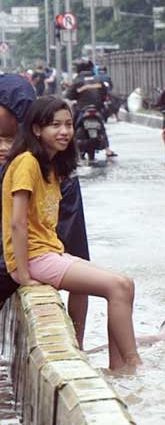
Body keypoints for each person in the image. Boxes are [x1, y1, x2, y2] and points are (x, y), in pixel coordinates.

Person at [2, 96, 140, 372]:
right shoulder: (27, 163)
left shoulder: (51, 166)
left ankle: (118, 367)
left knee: (125, 284)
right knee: (118, 287)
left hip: (48, 252)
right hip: (36, 257)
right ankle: (134, 364)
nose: (64, 131)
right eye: (55, 125)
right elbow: (16, 223)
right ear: (37, 130)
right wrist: (24, 274)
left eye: (67, 124)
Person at [0, 75, 92, 349]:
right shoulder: (23, 160)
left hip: (24, 256)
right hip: (21, 257)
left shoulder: (32, 163)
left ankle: (77, 345)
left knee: (81, 268)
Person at [65, 58, 116, 158]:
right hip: (96, 108)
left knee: (73, 125)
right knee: (102, 127)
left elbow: (69, 95)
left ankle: (70, 149)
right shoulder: (98, 79)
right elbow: (105, 93)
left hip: (82, 108)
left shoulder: (77, 80)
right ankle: (108, 150)